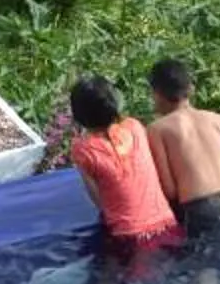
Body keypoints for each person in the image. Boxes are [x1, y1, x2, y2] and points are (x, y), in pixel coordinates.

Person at [69, 75, 180, 248]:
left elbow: (99, 200)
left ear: (79, 115)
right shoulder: (135, 127)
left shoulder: (84, 150)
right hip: (168, 226)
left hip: (129, 237)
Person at [145, 58, 220, 233]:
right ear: (190, 89)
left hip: (199, 209)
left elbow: (170, 190)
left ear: (156, 94)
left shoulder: (157, 129)